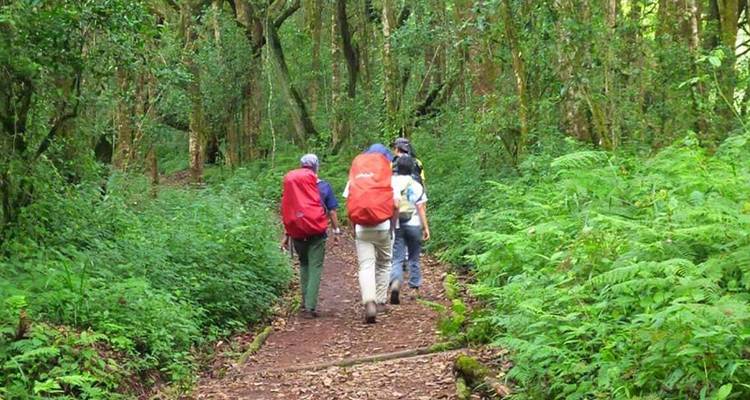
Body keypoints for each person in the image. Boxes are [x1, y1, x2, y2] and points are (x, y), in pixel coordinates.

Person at [344, 144, 399, 323]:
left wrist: (353, 228)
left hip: (361, 227)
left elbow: (349, 201)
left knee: (366, 265)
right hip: (383, 225)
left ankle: (369, 301)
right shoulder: (389, 175)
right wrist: (392, 226)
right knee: (384, 263)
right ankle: (381, 301)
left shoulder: (357, 175)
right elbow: (396, 204)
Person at [280, 154, 341, 319]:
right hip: (316, 233)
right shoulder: (323, 187)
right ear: (316, 167)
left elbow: (289, 211)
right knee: (315, 267)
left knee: (304, 265)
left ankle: (304, 302)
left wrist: (287, 236)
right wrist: (336, 231)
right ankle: (310, 306)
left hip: (297, 233)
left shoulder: (293, 187)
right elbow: (332, 211)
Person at [389, 156, 430, 304]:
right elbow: (421, 208)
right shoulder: (416, 185)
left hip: (397, 223)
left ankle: (395, 282)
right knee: (414, 256)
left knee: (397, 257)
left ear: (397, 167)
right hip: (413, 223)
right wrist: (425, 227)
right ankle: (414, 288)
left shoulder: (391, 182)